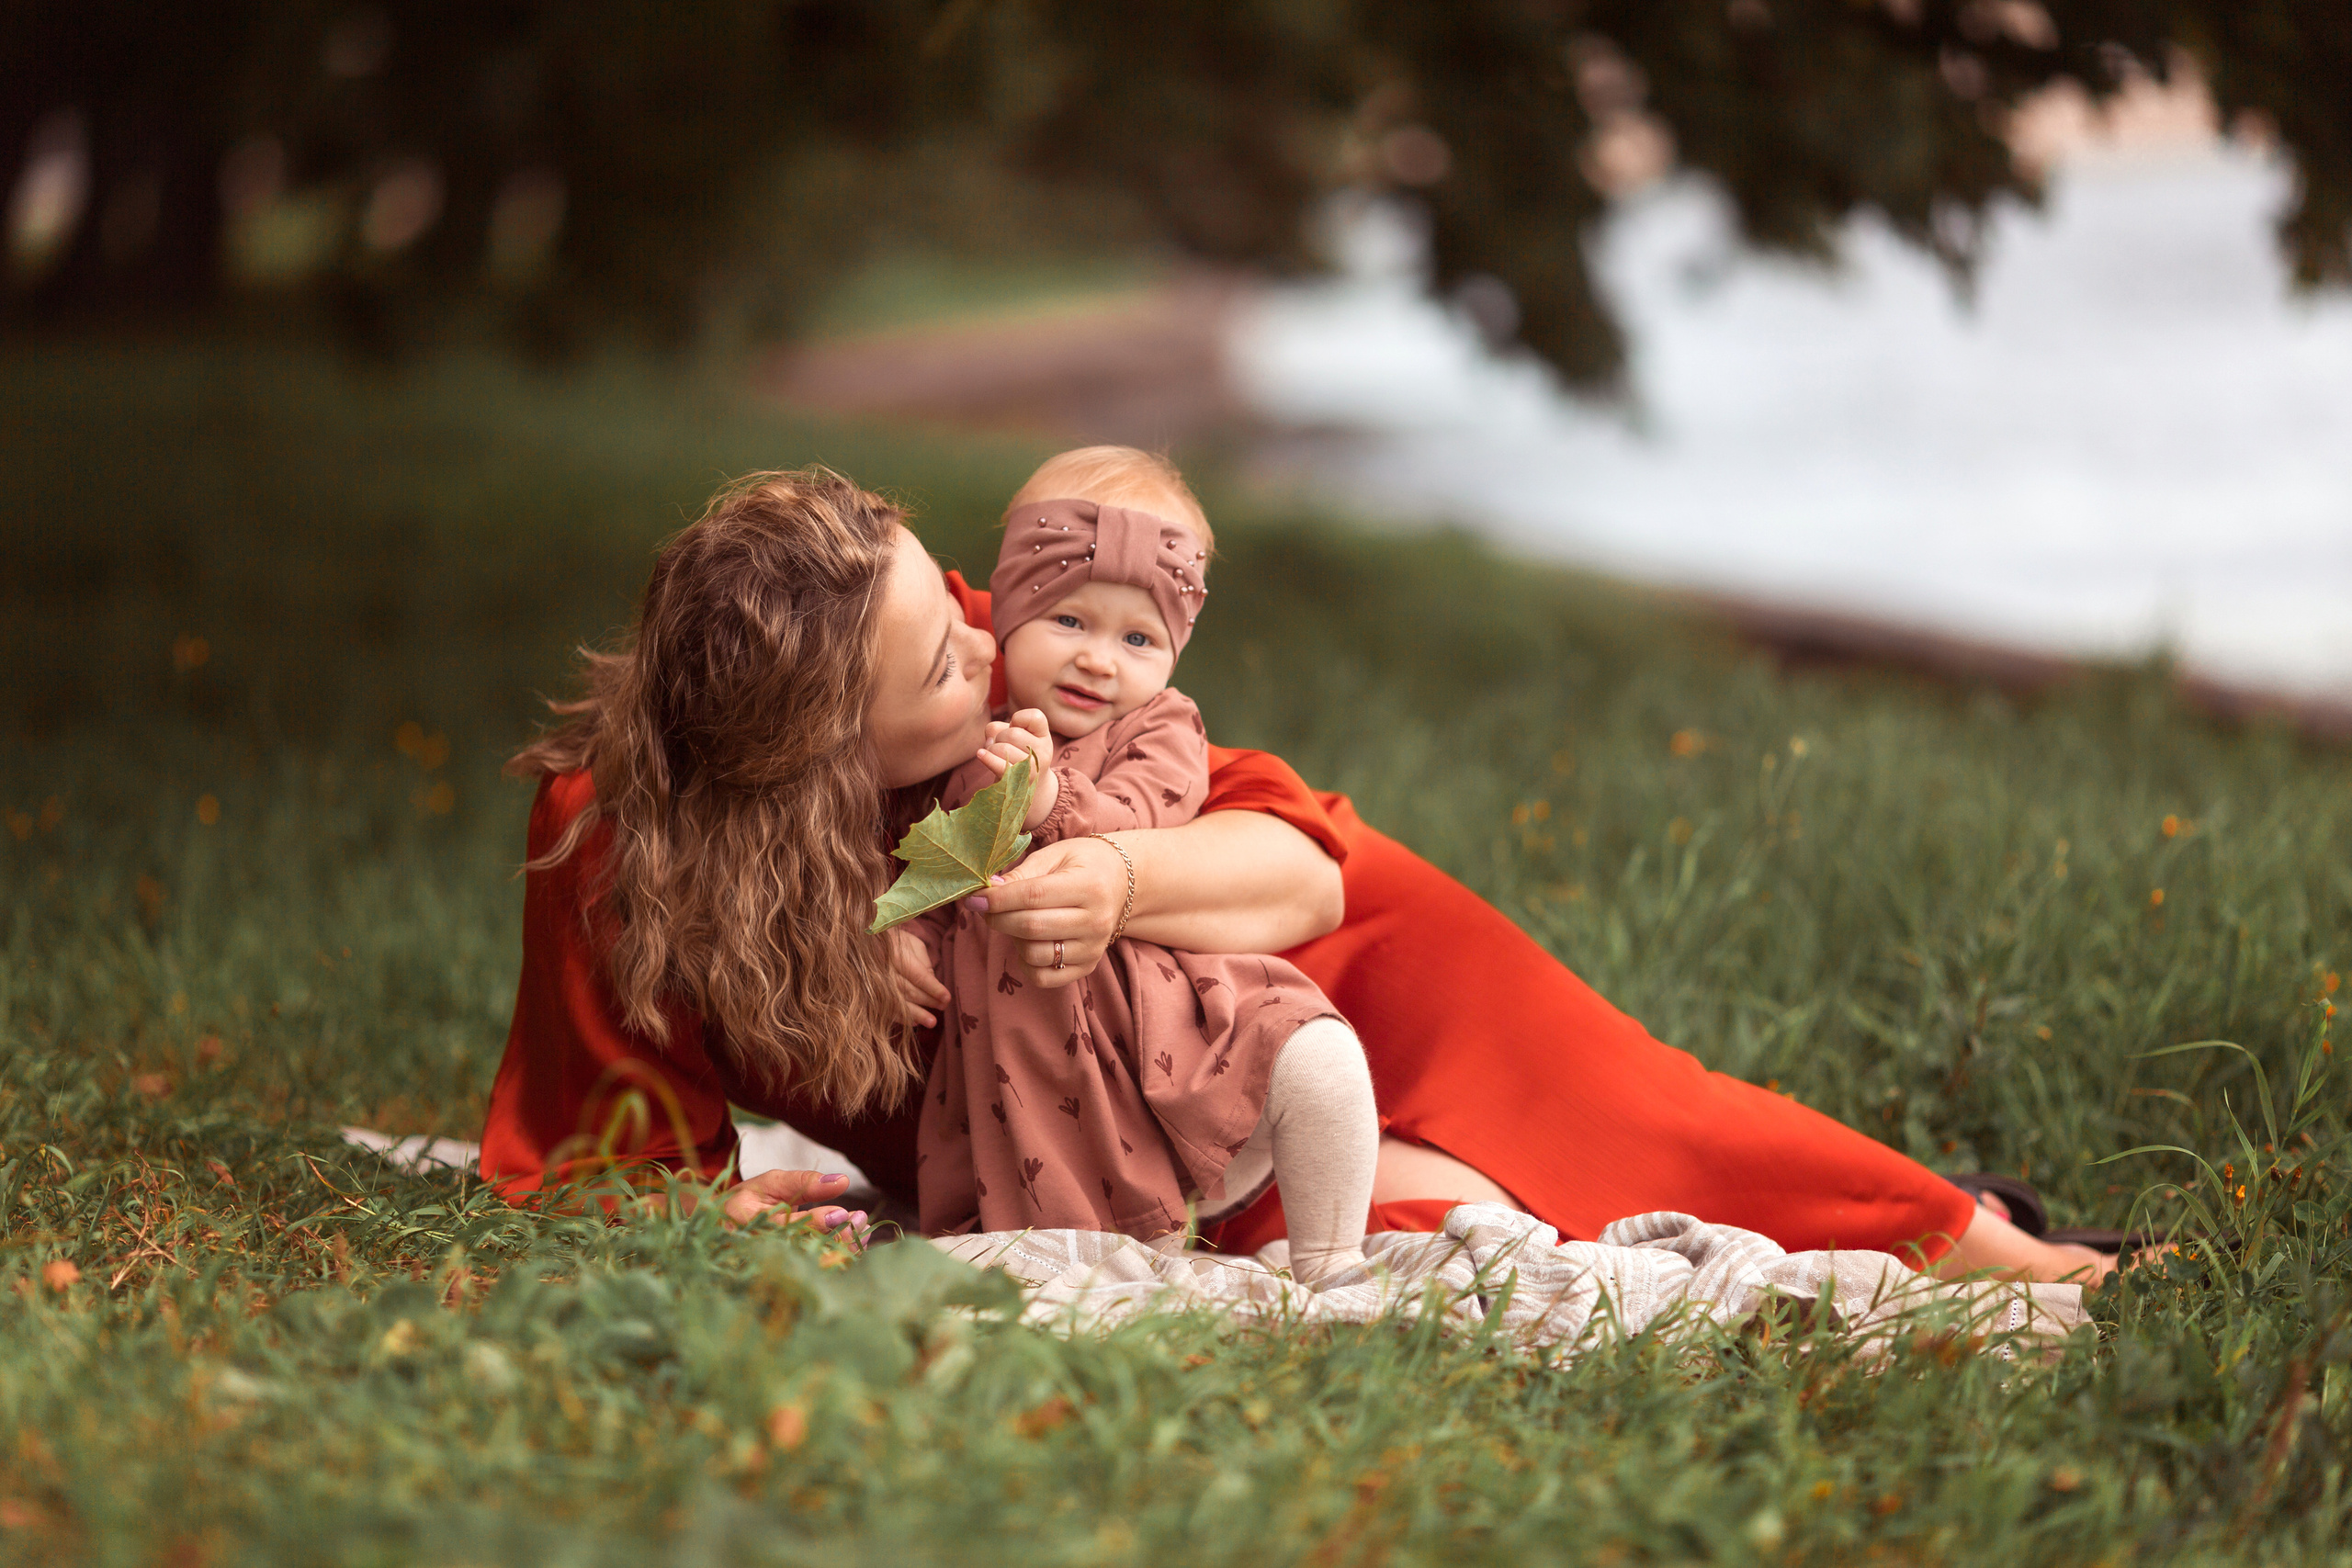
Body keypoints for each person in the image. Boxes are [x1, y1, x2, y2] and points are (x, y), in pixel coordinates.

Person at [480, 459, 2109, 1285]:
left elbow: (1303, 863)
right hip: (1100, 1087)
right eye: (937, 657)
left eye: (956, 600)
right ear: (824, 754)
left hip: (1242, 923)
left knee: (1624, 1108)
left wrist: (1112, 882)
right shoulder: (609, 851)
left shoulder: (987, 673)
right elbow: (610, 1150)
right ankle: (1919, 1227)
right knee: (1447, 1208)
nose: (989, 638)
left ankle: (2021, 1259)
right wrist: (717, 1208)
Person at [889, 452, 1377, 1283]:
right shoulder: (967, 740)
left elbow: (1147, 811)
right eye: (1070, 622)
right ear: (1008, 612)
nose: (1099, 661)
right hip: (1024, 1051)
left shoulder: (1162, 726)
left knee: (1317, 1059)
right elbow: (935, 867)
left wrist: (1050, 803)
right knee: (1069, 1228)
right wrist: (898, 941)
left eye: (1138, 638)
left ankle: (1334, 1263)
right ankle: (1121, 1268)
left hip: (1169, 1030)